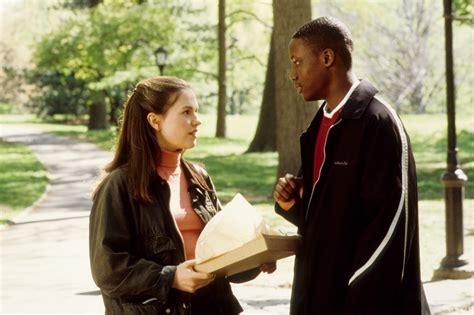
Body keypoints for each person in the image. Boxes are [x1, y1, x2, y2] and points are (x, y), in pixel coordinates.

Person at [273, 16, 431, 314]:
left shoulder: (378, 123)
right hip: (316, 296)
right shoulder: (321, 122)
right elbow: (331, 216)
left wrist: (357, 297)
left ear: (327, 57)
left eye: (297, 61)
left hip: (362, 302)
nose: (292, 74)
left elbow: (391, 227)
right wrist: (294, 203)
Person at [89, 76, 275, 315]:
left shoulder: (199, 178)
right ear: (155, 121)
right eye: (186, 112)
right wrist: (171, 278)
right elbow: (108, 269)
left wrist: (255, 258)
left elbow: (221, 254)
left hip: (212, 307)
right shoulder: (120, 185)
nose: (196, 121)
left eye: (196, 111)